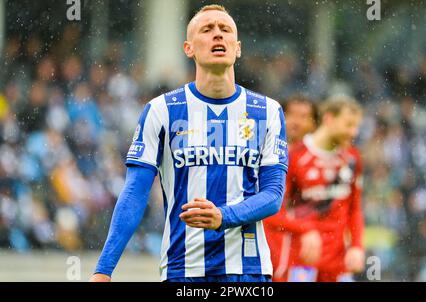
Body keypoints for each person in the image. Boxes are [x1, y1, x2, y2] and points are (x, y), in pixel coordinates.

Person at [90, 4, 288, 282]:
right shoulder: (161, 110)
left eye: (225, 29)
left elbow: (273, 195)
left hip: (248, 272)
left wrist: (223, 216)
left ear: (238, 47)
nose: (217, 35)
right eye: (207, 30)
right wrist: (103, 269)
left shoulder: (267, 111)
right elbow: (135, 192)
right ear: (188, 48)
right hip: (182, 270)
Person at [265, 95, 365, 282]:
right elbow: (271, 213)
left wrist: (357, 246)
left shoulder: (352, 158)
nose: (354, 132)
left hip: (338, 264)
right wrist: (305, 229)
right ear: (328, 119)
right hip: (302, 260)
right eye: (349, 125)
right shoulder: (295, 157)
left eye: (356, 126)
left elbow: (355, 209)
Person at [263, 94, 316, 281]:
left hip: (306, 244)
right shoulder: (266, 153)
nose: (296, 121)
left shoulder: (316, 162)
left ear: (314, 123)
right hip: (273, 239)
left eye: (304, 116)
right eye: (291, 114)